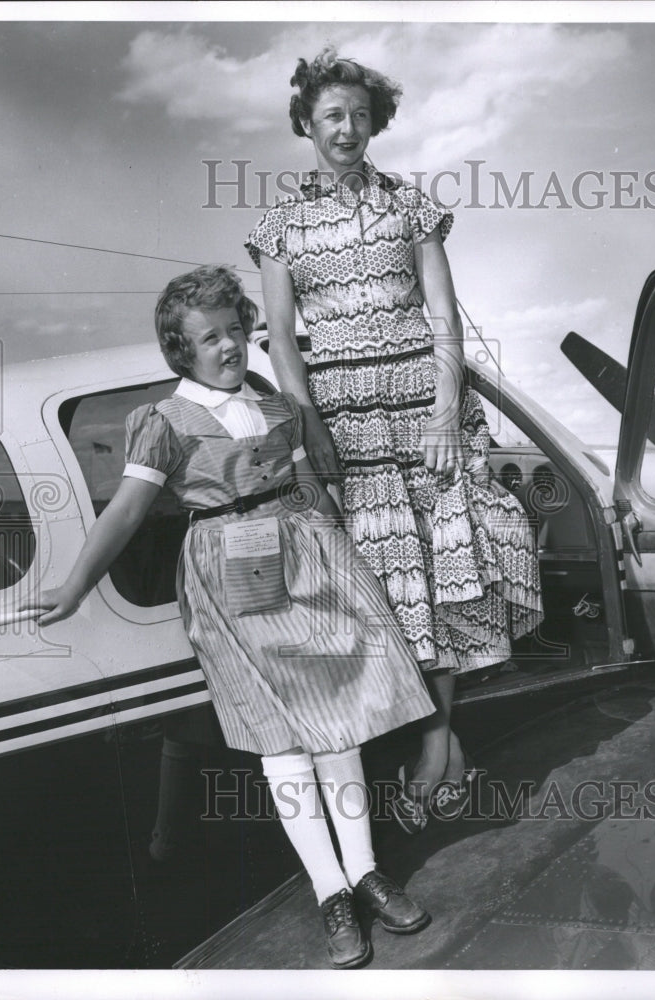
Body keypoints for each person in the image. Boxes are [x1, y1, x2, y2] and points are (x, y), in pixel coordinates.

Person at [22, 265, 435, 970]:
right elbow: (124, 511)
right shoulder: (162, 422)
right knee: (282, 737)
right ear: (182, 351)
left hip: (307, 558)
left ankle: (365, 871)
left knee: (340, 722)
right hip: (228, 569)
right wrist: (75, 584)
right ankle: (329, 889)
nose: (229, 347)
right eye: (209, 338)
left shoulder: (276, 405)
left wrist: (345, 565)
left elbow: (307, 486)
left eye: (236, 331)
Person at [246, 47, 543, 834]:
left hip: (427, 417)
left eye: (360, 116)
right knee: (391, 596)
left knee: (449, 582)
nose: (347, 129)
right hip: (349, 430)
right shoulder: (279, 226)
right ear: (306, 124)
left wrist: (447, 413)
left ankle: (438, 744)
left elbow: (444, 315)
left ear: (376, 124)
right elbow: (280, 341)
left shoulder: (411, 206)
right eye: (332, 115)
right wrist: (311, 435)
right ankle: (441, 747)